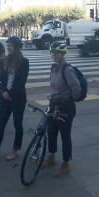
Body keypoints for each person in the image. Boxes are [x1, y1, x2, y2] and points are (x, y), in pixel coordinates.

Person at [42, 42, 81, 178]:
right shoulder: (53, 67)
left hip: (65, 106)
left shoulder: (67, 69)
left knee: (65, 135)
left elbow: (76, 87)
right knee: (51, 132)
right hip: (54, 104)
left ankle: (66, 164)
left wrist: (70, 99)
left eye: (57, 52)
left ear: (63, 54)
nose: (54, 55)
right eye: (52, 52)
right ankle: (51, 157)